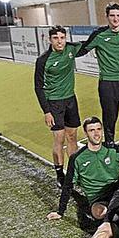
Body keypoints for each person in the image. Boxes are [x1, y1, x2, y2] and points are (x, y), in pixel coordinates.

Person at [47, 117, 119, 228]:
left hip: (118, 188)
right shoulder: (77, 158)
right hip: (98, 198)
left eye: (98, 129)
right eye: (92, 130)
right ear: (86, 133)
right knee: (100, 212)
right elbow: (68, 185)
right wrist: (60, 212)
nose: (96, 134)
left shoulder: (111, 148)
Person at [78, 3, 119, 149]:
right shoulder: (99, 35)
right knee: (110, 121)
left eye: (118, 15)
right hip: (108, 84)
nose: (116, 19)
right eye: (112, 15)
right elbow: (82, 50)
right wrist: (65, 50)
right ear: (107, 17)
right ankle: (109, 149)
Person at [34, 25, 84, 187]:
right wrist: (46, 111)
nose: (60, 41)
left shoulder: (71, 49)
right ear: (50, 40)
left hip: (71, 100)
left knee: (72, 137)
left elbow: (89, 43)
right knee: (59, 138)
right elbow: (38, 87)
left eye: (62, 38)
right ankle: (59, 174)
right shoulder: (43, 60)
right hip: (54, 103)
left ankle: (73, 171)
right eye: (56, 38)